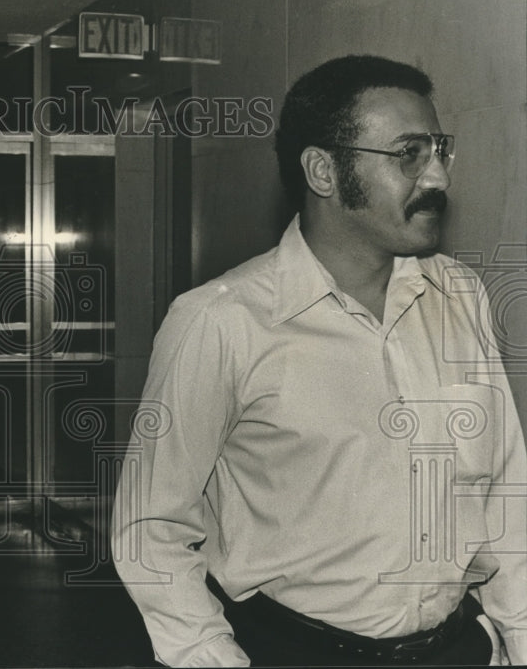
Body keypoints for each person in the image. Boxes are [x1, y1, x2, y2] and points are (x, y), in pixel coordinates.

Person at [111, 55, 527, 667]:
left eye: (440, 148)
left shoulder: (461, 297)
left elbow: (504, 495)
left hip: (461, 649)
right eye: (409, 153)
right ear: (323, 170)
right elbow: (150, 528)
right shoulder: (221, 322)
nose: (437, 176)